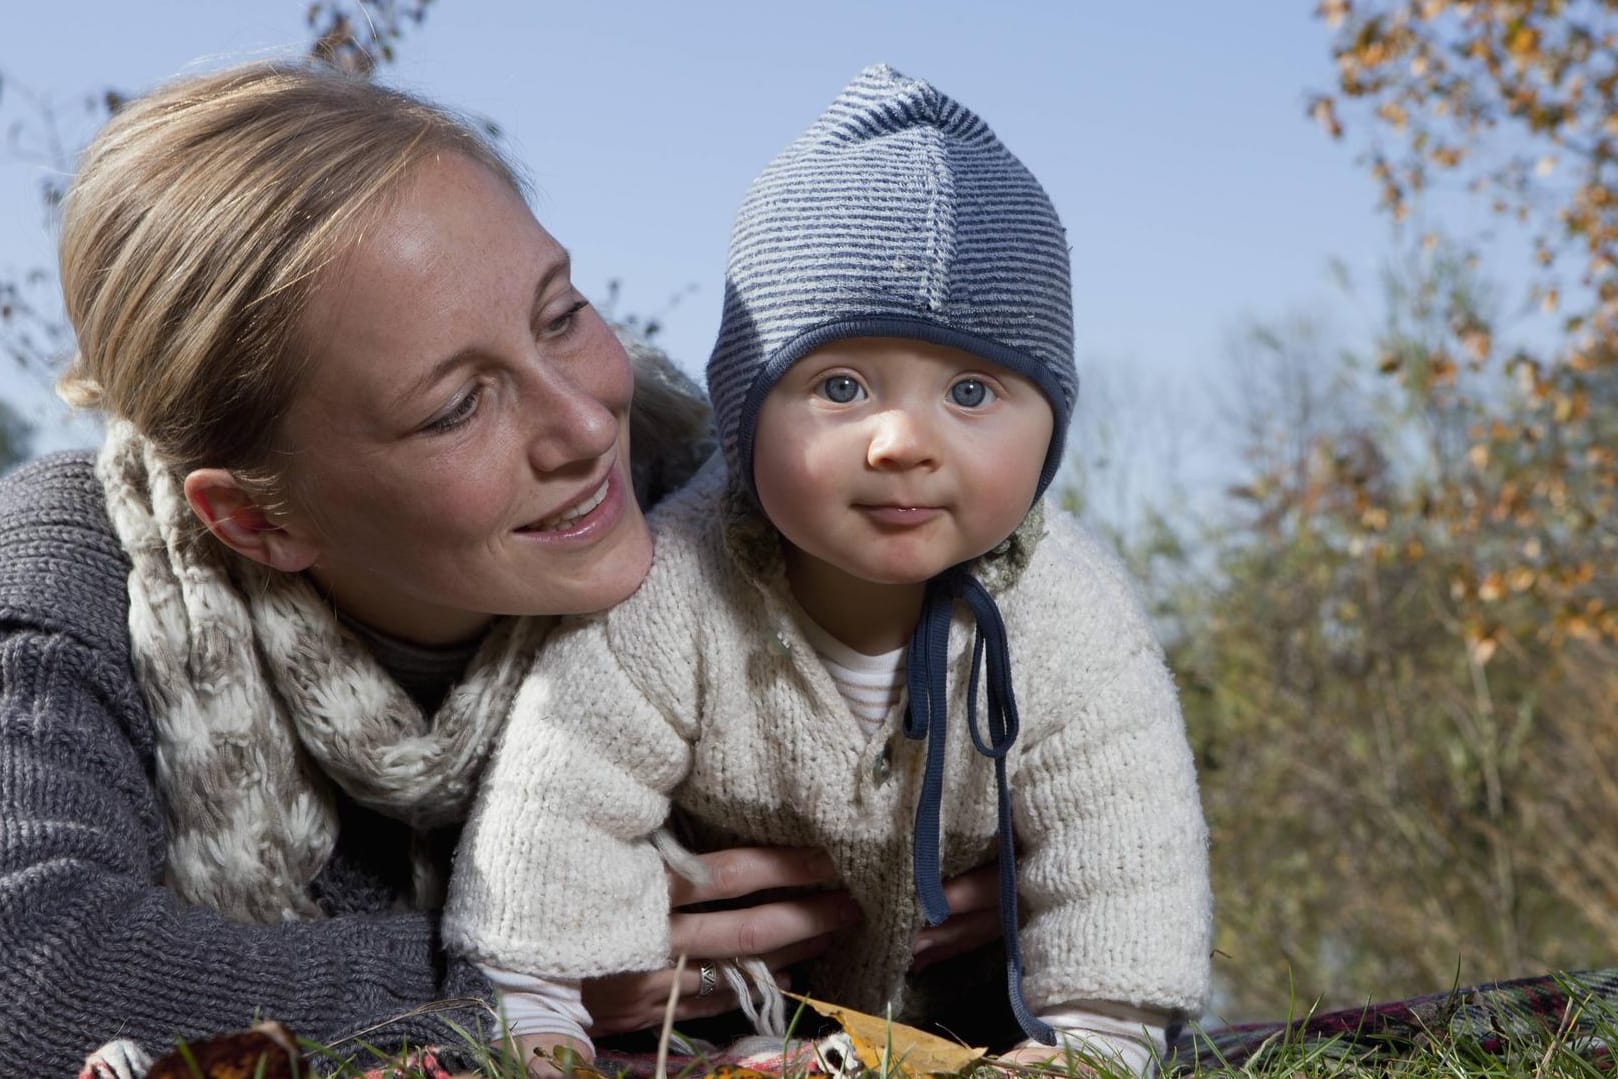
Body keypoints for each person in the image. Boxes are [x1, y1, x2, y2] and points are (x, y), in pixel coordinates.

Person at [0, 59, 1008, 1078]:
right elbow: (33, 976)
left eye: (560, 314)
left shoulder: (763, 527)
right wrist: (523, 965)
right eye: (454, 408)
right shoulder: (79, 562)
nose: (583, 423)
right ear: (255, 517)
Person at [445, 65, 1213, 1078]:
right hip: (713, 1018)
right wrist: (538, 1009)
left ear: (1051, 426)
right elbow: (562, 797)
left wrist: (1097, 1037)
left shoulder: (1067, 613)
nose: (902, 439)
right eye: (839, 385)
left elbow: (1125, 836)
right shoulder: (672, 587)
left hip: (970, 1017)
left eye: (974, 390)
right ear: (744, 409)